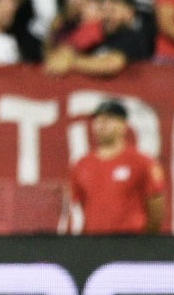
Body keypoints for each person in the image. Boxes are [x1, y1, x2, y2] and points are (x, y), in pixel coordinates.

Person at [69, 99, 165, 236]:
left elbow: (156, 205)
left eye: (109, 119)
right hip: (93, 243)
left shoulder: (141, 162)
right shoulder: (82, 165)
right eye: (98, 120)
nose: (101, 125)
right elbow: (80, 204)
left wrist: (145, 241)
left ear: (123, 125)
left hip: (129, 242)